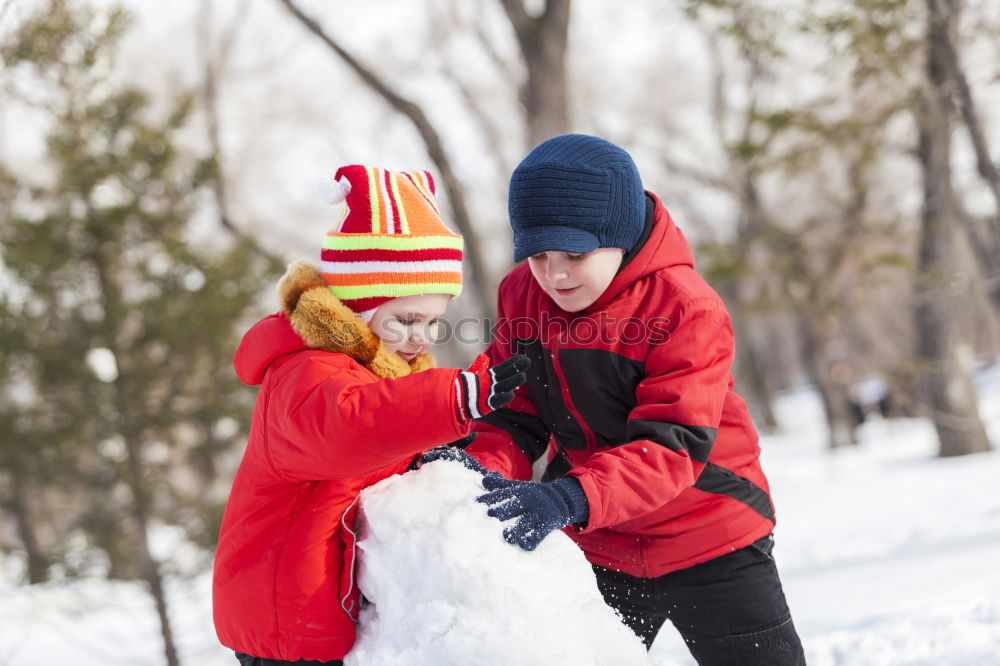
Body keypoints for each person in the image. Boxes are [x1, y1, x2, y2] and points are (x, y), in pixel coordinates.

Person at [462, 134, 807, 665]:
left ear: (618, 236)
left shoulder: (685, 307)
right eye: (538, 254)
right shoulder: (522, 296)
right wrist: (477, 473)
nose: (554, 274)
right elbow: (514, 410)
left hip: (712, 535)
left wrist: (569, 498)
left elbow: (672, 444)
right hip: (603, 543)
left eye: (574, 254)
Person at [211, 164, 528, 666]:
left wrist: (434, 453)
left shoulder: (377, 373)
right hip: (280, 617)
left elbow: (378, 441)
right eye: (405, 319)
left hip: (312, 609)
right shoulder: (306, 370)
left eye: (432, 322)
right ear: (359, 307)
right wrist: (453, 400)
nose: (421, 337)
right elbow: (350, 428)